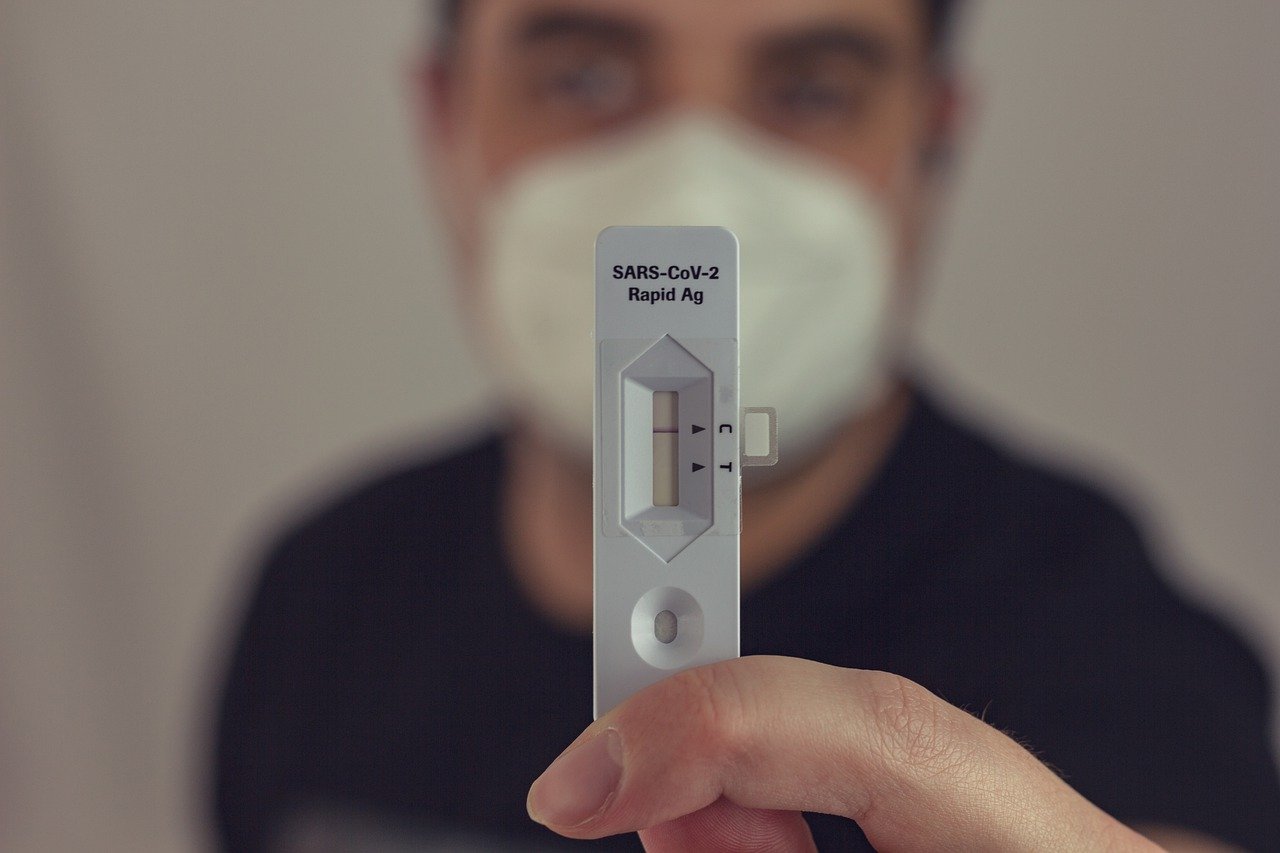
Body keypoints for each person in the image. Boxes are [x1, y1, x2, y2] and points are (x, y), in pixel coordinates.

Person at [212, 1, 1280, 850]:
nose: (690, 194)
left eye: (812, 90)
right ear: (443, 113)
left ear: (932, 139)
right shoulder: (323, 590)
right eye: (583, 77)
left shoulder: (1107, 648)